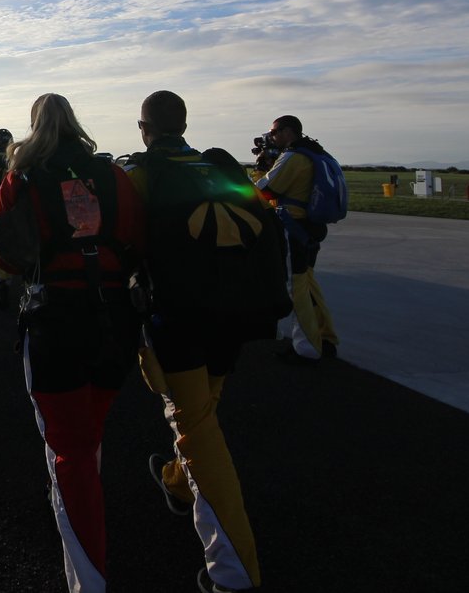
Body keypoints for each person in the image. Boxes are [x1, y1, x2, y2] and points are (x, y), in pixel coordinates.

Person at [0, 94, 145, 593]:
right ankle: (80, 501)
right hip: (117, 317)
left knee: (68, 449)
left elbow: (3, 256)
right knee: (89, 432)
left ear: (34, 127)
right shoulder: (115, 176)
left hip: (55, 320)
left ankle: (88, 579)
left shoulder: (22, 176)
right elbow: (140, 241)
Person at [125, 91, 264, 593]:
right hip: (238, 313)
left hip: (180, 318)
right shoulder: (221, 167)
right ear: (183, 124)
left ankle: (234, 571)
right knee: (204, 412)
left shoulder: (140, 172)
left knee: (197, 425)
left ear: (145, 128)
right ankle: (178, 483)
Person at [255, 114, 340, 364]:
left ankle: (307, 348)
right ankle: (326, 338)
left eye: (274, 132)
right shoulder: (315, 152)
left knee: (296, 288)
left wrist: (260, 168)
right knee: (308, 284)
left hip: (293, 228)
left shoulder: (293, 157)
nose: (271, 137)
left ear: (288, 131)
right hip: (310, 228)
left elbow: (264, 191)